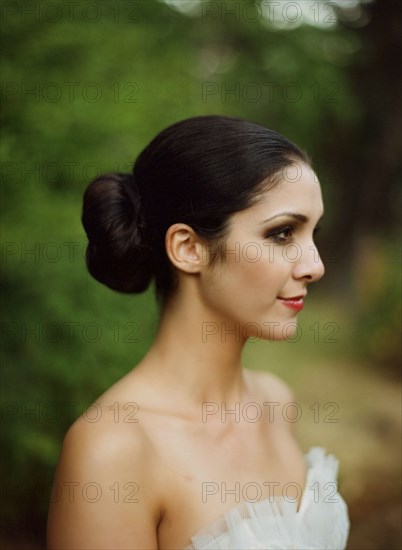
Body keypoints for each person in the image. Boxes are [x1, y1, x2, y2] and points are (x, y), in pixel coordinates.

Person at [47, 115, 350, 549]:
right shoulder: (113, 451)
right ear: (188, 248)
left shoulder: (276, 402)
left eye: (311, 233)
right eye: (283, 233)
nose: (315, 265)